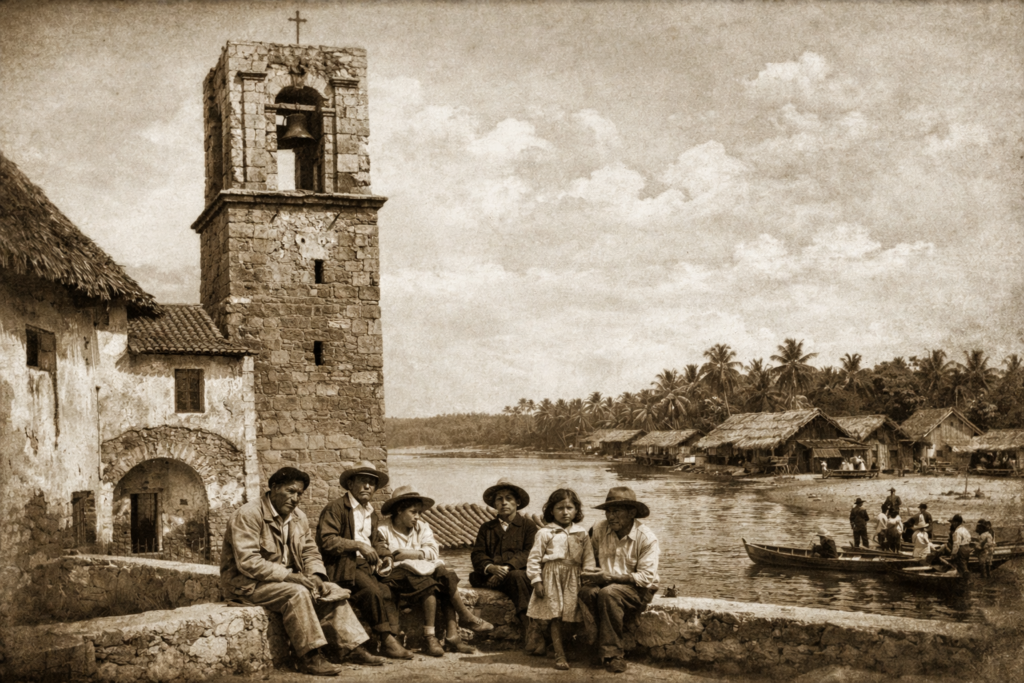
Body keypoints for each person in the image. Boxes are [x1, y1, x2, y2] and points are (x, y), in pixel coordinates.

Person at [220, 467, 384, 675]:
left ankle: (351, 647)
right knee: (297, 592)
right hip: (247, 585)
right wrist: (291, 577)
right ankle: (309, 656)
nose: (295, 498)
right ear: (274, 488)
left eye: (299, 493)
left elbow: (310, 552)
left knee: (331, 589)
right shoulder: (248, 515)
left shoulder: (298, 517)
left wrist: (316, 576)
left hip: (282, 581)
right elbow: (248, 562)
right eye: (290, 491)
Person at [373, 485, 493, 656]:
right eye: (413, 512)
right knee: (431, 583)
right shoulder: (383, 529)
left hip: (420, 572)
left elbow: (433, 551)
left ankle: (455, 631)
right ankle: (433, 635)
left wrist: (411, 554)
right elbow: (385, 558)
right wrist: (410, 557)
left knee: (446, 574)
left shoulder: (422, 526)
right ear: (399, 510)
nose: (417, 517)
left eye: (419, 513)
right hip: (396, 576)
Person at [315, 461, 413, 660]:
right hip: (342, 567)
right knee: (371, 591)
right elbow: (327, 541)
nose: (368, 486)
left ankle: (390, 637)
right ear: (351, 484)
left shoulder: (371, 513)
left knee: (387, 589)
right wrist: (358, 546)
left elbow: (376, 542)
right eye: (362, 481)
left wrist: (386, 556)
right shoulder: (336, 508)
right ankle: (386, 640)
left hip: (364, 567)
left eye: (372, 483)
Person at [579, 487, 660, 675]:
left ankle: (614, 654)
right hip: (608, 584)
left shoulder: (646, 538)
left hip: (638, 588)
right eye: (608, 511)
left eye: (616, 511)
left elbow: (645, 578)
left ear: (631, 513)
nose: (610, 516)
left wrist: (609, 577)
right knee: (587, 592)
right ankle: (596, 645)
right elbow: (590, 559)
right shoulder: (599, 529)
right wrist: (592, 573)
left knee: (609, 593)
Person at [524, 488, 595, 670]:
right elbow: (534, 559)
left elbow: (588, 558)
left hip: (574, 578)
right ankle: (559, 654)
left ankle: (563, 647)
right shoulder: (545, 533)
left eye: (569, 508)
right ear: (551, 511)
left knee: (571, 615)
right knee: (555, 616)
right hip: (552, 577)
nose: (565, 512)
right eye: (559, 508)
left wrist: (587, 578)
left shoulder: (582, 533)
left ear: (576, 510)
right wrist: (536, 581)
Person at [469, 478, 539, 653]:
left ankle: (529, 629)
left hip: (514, 575)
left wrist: (506, 568)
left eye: (509, 498)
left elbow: (529, 552)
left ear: (518, 502)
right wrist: (490, 568)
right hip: (491, 576)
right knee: (475, 576)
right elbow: (478, 554)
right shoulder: (486, 528)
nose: (504, 503)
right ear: (494, 504)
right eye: (499, 499)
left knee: (518, 576)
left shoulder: (528, 526)